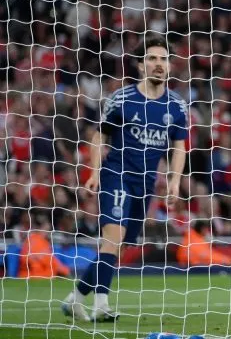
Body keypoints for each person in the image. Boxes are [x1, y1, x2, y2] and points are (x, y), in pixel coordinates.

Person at [61, 35, 188, 321]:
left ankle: (75, 298)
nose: (159, 64)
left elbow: (179, 146)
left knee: (116, 245)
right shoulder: (123, 98)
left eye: (163, 59)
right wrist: (94, 172)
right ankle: (102, 305)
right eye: (152, 58)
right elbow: (98, 136)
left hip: (145, 183)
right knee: (113, 237)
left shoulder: (177, 106)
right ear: (141, 65)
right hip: (116, 174)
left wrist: (175, 180)